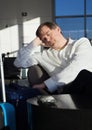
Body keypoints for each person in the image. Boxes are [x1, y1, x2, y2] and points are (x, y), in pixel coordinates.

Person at [14, 21, 92, 94]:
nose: (47, 39)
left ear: (58, 29)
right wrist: (33, 44)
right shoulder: (42, 56)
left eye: (48, 34)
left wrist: (46, 84)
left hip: (85, 85)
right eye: (43, 39)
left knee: (84, 75)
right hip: (67, 92)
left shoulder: (81, 43)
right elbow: (18, 63)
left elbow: (77, 68)